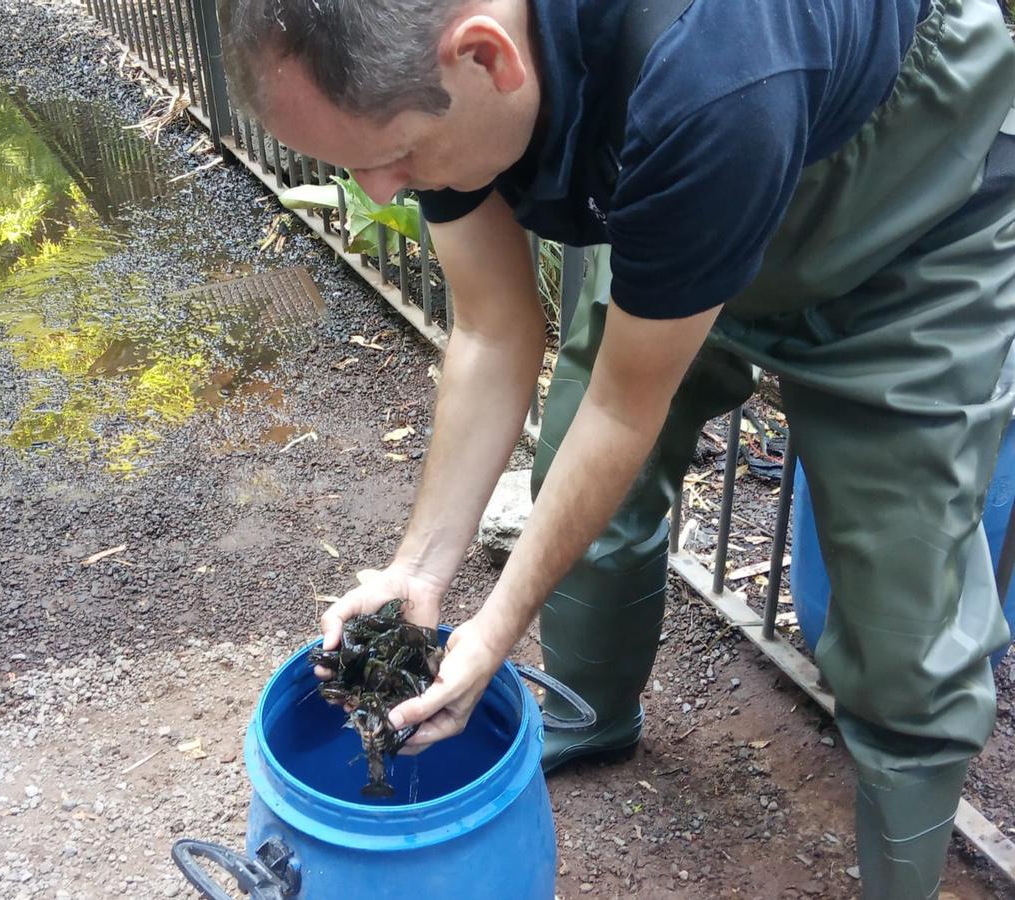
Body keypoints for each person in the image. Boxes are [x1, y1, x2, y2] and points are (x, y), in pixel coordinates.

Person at [216, 0, 1015, 895]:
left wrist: (496, 628)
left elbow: (626, 411)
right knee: (580, 485)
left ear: (487, 57)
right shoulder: (425, 53)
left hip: (903, 217)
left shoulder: (711, 75)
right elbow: (489, 331)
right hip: (687, 198)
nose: (381, 192)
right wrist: (422, 570)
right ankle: (592, 716)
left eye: (394, 158)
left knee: (907, 635)